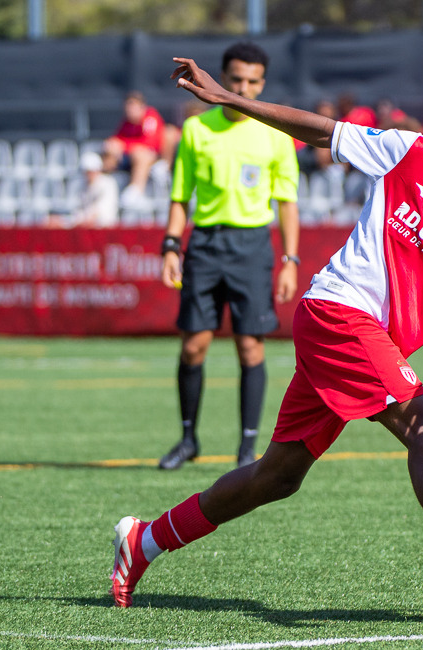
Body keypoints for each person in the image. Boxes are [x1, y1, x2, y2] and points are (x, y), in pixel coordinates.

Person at [111, 55, 423, 623]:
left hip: (361, 340)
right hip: (338, 314)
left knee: (278, 476)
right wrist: (233, 100)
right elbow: (321, 131)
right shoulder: (414, 153)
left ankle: (144, 540)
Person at [157, 42, 301, 471]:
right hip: (204, 246)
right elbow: (180, 197)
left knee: (250, 348)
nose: (243, 87)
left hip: (252, 247)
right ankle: (188, 440)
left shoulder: (276, 133)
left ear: (262, 84)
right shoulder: (196, 130)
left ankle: (246, 449)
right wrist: (171, 245)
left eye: (252, 81)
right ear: (221, 78)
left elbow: (287, 203)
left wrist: (290, 260)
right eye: (236, 79)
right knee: (193, 346)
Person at [103, 91, 165, 207]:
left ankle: (136, 191)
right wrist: (114, 144)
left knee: (140, 154)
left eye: (133, 106)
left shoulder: (150, 117)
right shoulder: (127, 122)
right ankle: (103, 187)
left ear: (142, 107)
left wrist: (124, 146)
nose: (130, 110)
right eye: (128, 106)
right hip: (127, 158)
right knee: (110, 150)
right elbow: (118, 139)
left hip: (151, 157)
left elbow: (150, 144)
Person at [47, 151, 120, 228]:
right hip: (85, 225)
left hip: (105, 227)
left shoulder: (108, 183)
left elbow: (102, 210)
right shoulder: (81, 185)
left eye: (92, 171)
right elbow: (77, 209)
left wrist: (81, 220)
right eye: (87, 171)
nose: (90, 174)